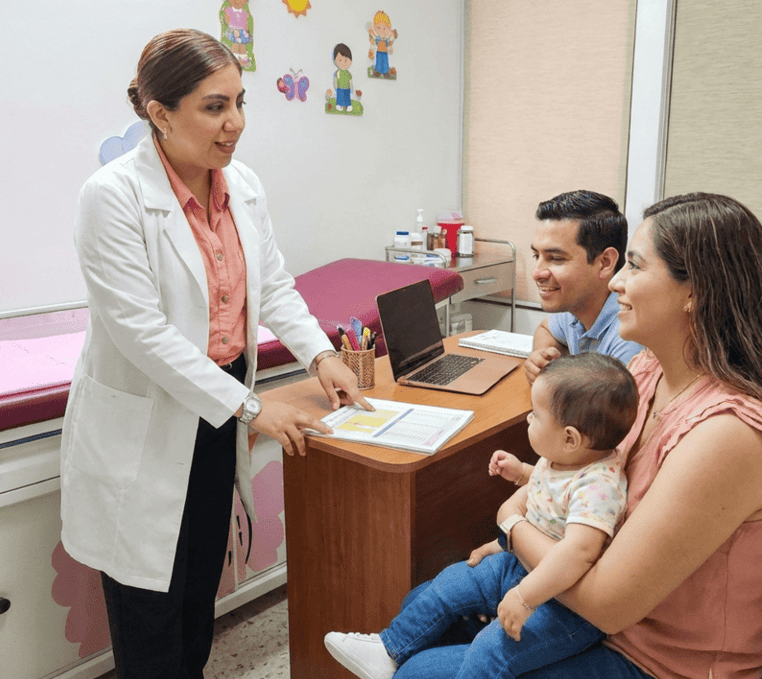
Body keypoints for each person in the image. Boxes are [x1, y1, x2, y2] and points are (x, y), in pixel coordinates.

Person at [59, 28, 371, 679]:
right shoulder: (112, 197)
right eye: (213, 106)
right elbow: (140, 331)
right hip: (147, 423)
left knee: (199, 586)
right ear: (160, 112)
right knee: (150, 611)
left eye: (240, 101)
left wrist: (320, 354)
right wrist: (252, 407)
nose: (235, 123)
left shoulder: (242, 185)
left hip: (213, 415)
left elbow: (274, 285)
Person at [388, 192, 762, 679]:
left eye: (635, 267)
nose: (619, 282)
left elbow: (607, 603)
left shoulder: (727, 433)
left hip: (658, 659)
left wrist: (513, 529)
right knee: (427, 605)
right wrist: (516, 548)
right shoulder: (647, 370)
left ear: (696, 293)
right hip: (599, 617)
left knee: (420, 670)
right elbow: (584, 485)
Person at [324, 352, 637, 679]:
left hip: (563, 606)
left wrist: (525, 597)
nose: (528, 420)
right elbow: (554, 492)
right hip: (519, 565)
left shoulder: (600, 487)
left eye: (536, 416)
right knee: (452, 582)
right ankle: (388, 649)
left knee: (492, 648)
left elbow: (578, 552)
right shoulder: (566, 457)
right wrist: (522, 473)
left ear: (570, 438)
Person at [525, 190, 642, 384]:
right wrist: (542, 356)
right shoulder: (576, 304)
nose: (536, 273)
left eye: (555, 258)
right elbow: (546, 328)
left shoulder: (630, 340)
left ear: (605, 263)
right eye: (537, 256)